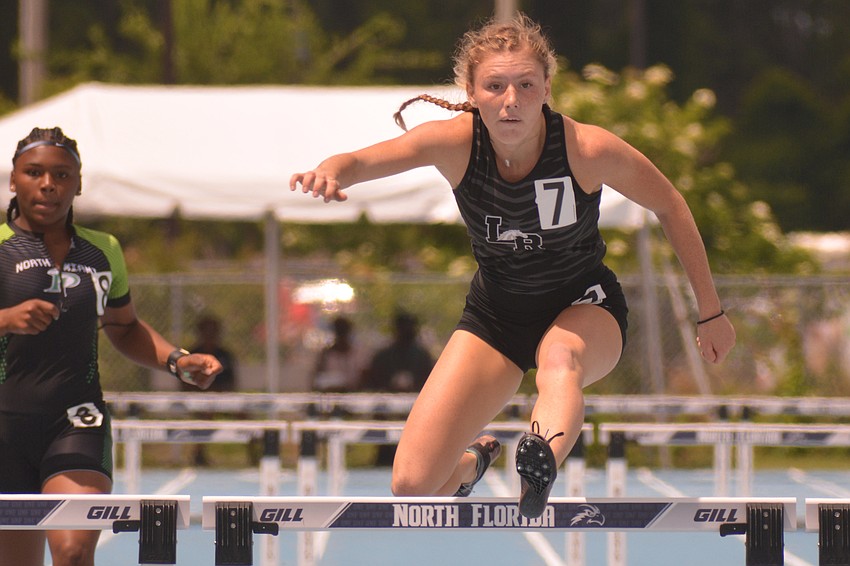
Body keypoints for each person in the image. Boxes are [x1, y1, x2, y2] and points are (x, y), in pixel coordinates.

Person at [290, 14, 735, 518]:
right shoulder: (454, 143)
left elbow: (671, 204)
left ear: (547, 88)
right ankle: (473, 466)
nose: (511, 101)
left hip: (583, 305)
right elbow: (365, 160)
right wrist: (330, 170)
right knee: (412, 485)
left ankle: (539, 459)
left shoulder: (587, 149)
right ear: (472, 92)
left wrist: (711, 312)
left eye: (526, 85)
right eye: (495, 86)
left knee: (559, 358)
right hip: (497, 317)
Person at [0, 127, 223, 566]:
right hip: (4, 425)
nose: (48, 184)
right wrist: (7, 319)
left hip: (75, 420)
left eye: (62, 175)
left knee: (72, 553)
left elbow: (123, 326)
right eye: (35, 172)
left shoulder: (104, 250)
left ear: (78, 184)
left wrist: (177, 360)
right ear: (14, 180)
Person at [181, 314, 238, 465]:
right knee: (207, 413)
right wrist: (202, 390)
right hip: (198, 401)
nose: (210, 334)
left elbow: (231, 383)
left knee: (244, 414)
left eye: (213, 331)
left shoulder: (225, 355)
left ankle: (258, 457)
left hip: (222, 399)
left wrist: (217, 392)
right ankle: (199, 455)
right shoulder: (192, 354)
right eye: (207, 330)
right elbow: (184, 382)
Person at [361, 310, 434, 393]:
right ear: (396, 329)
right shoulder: (383, 357)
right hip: (386, 401)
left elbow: (430, 384)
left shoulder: (423, 357)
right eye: (403, 328)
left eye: (409, 328)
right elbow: (373, 384)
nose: (406, 332)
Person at [311, 315, 367, 393]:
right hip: (331, 397)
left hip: (353, 397)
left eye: (343, 332)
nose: (341, 336)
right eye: (339, 332)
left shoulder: (357, 354)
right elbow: (317, 381)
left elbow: (363, 379)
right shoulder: (326, 355)